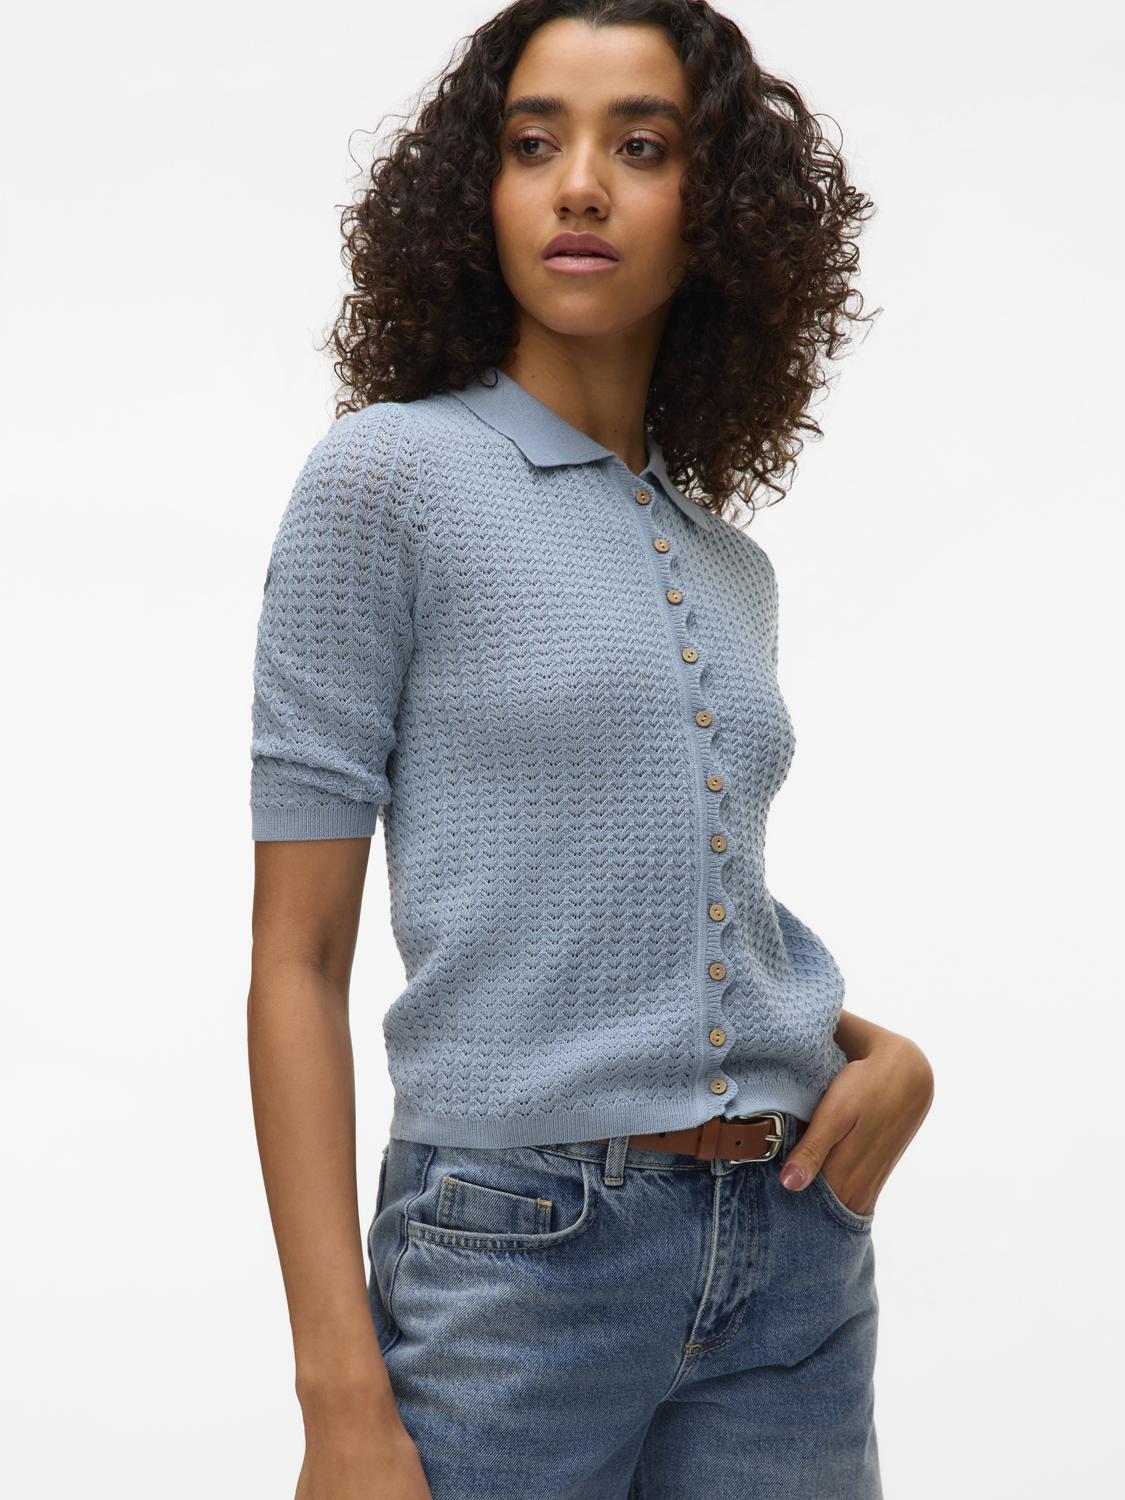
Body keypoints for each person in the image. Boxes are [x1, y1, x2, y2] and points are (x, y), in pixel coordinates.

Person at [247, 3, 934, 1497]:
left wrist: (884, 1061)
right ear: (474, 193)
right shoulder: (386, 481)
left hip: (793, 1263)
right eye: (531, 143)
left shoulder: (727, 562)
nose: (578, 185)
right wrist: (338, 1396)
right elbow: (297, 960)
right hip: (515, 1260)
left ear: (718, 208)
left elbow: (664, 917)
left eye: (642, 147)